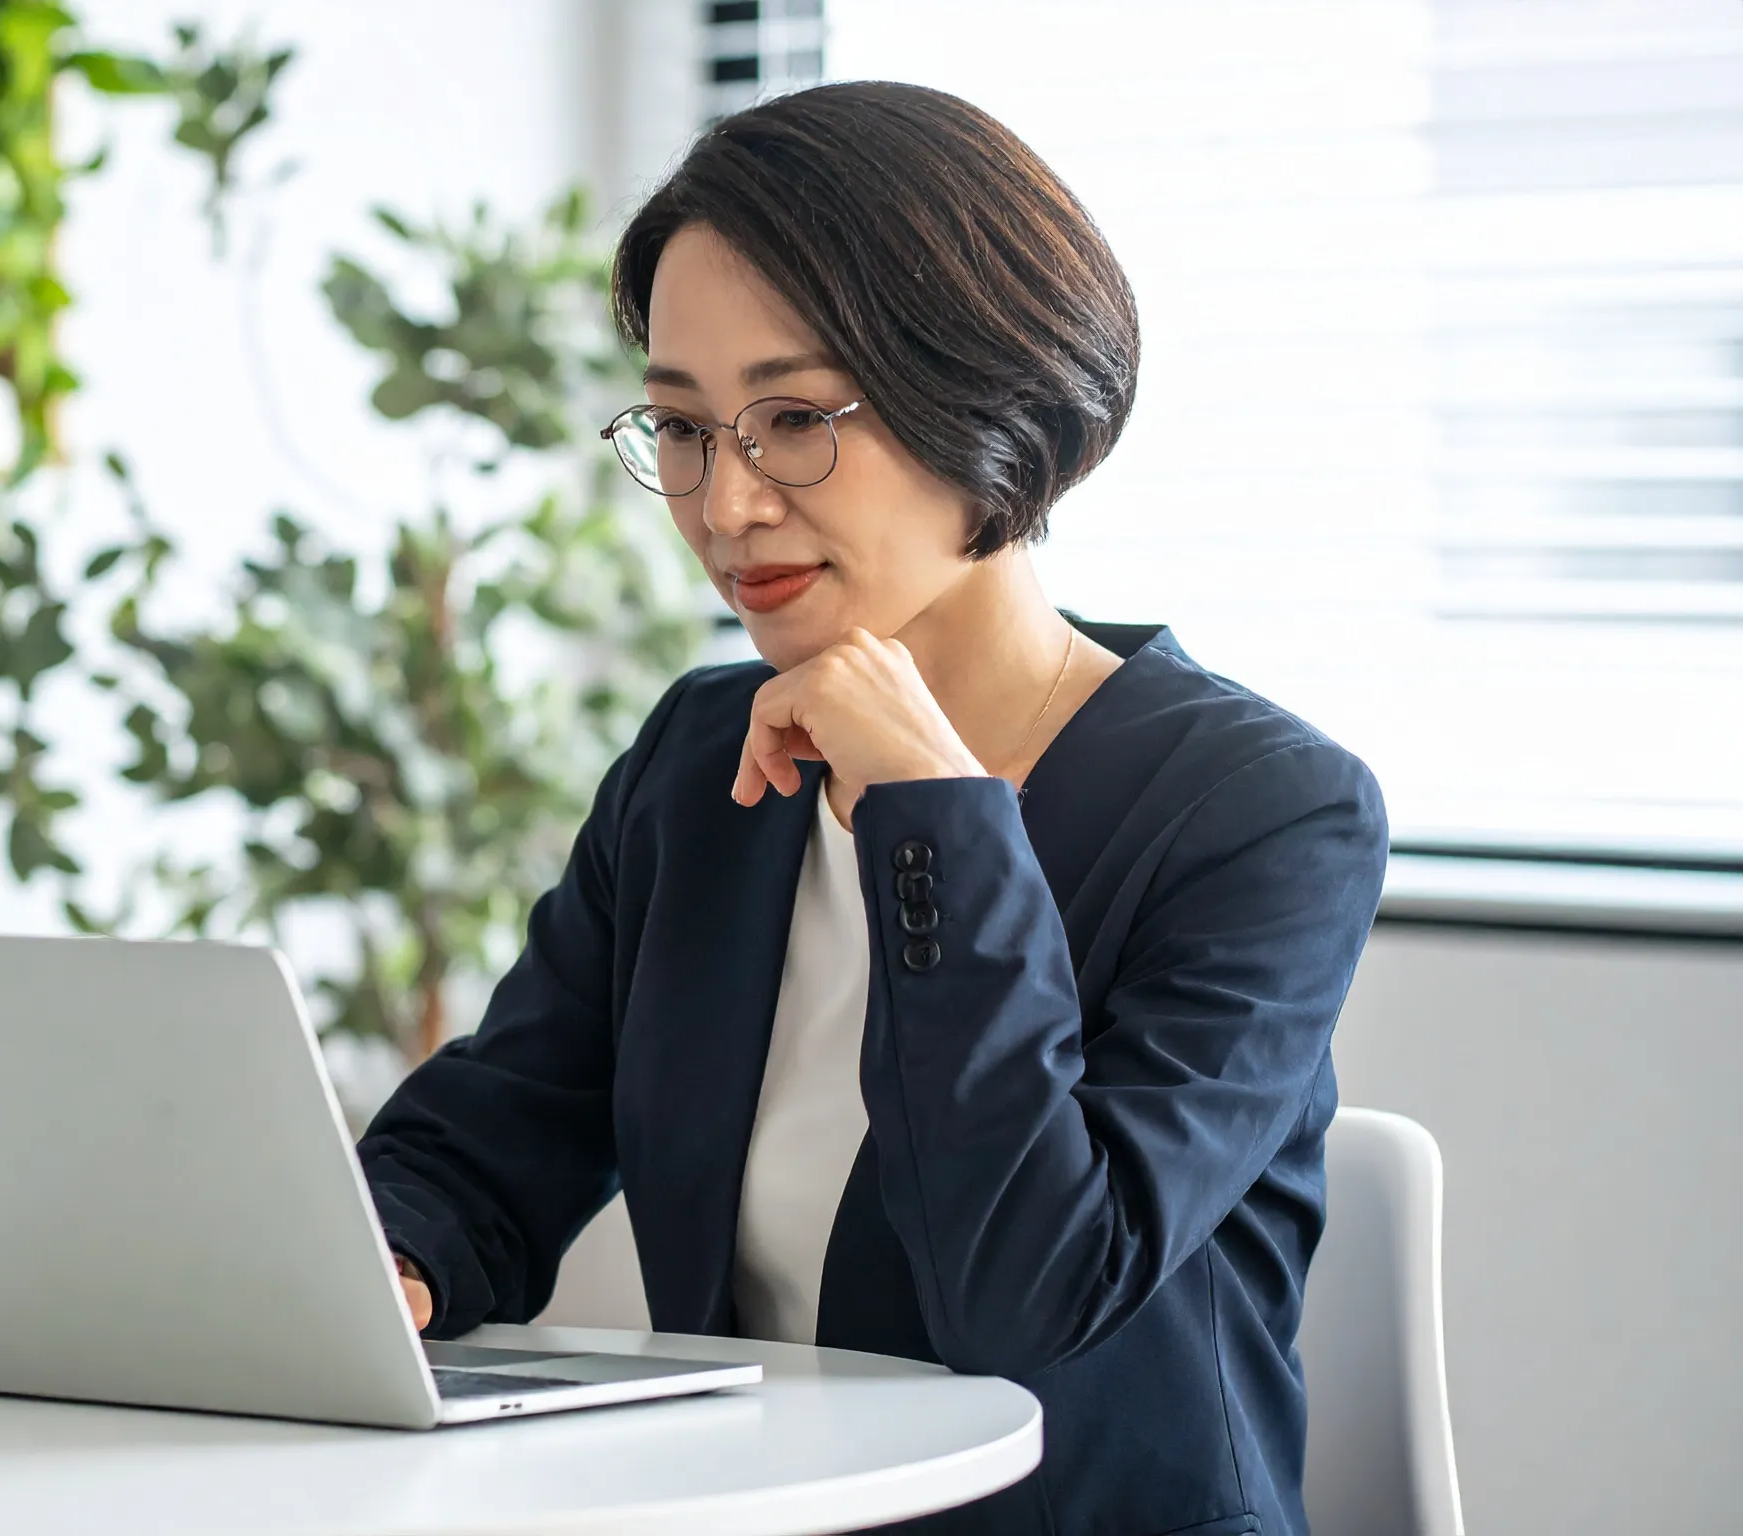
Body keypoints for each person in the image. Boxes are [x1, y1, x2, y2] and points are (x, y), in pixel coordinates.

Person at [357, 81, 1386, 1535]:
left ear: (985, 394)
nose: (727, 505)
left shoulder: (1263, 812)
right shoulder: (699, 760)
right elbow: (495, 1134)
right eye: (683, 431)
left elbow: (1030, 1290)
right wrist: (375, 1272)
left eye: (793, 420)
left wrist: (938, 814)